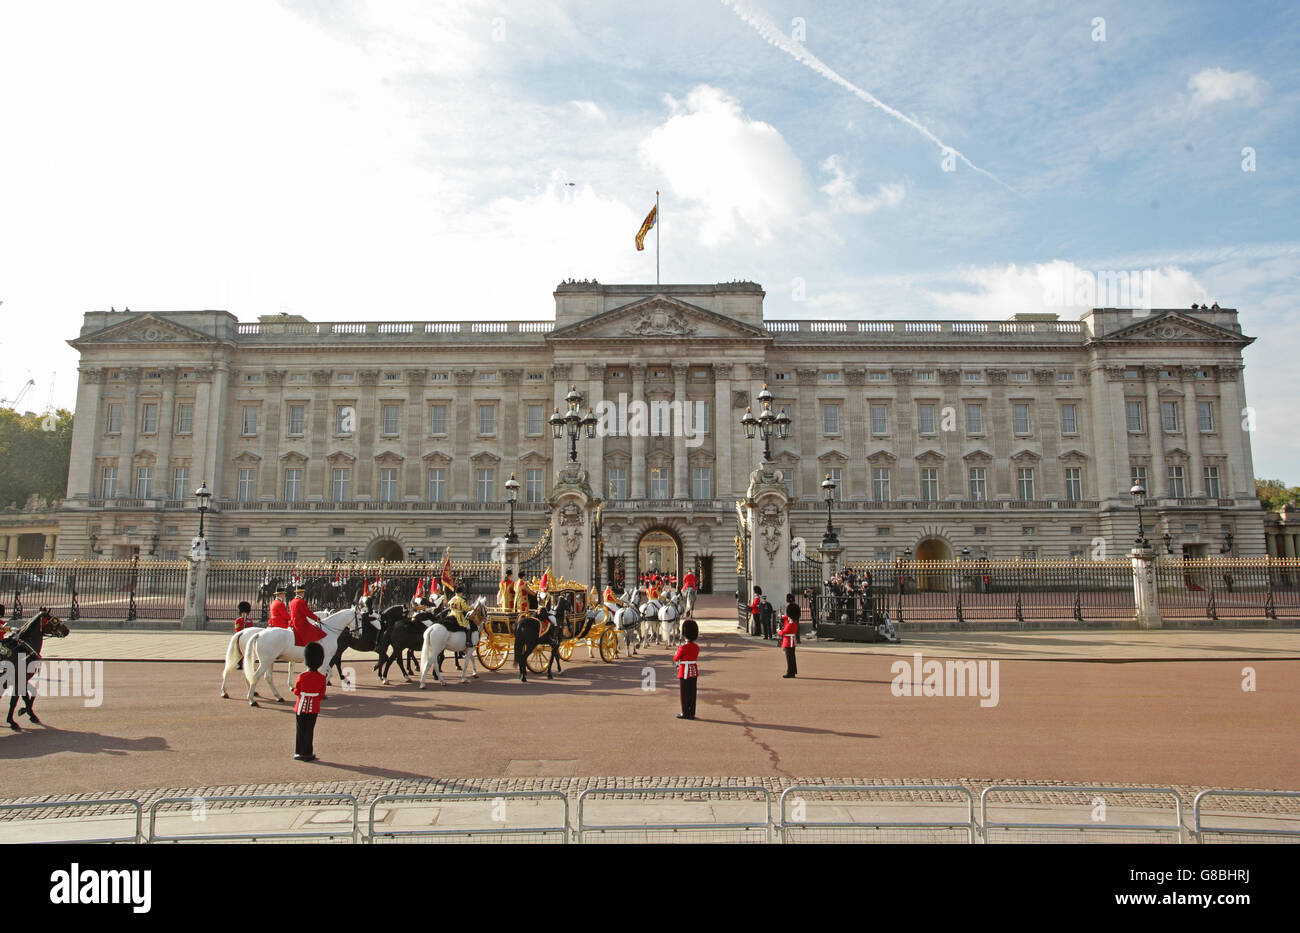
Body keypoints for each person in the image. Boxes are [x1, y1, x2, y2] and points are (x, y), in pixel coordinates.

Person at [292, 641, 327, 762]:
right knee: (309, 730)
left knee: (300, 730)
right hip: (314, 707)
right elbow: (321, 695)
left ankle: (298, 752)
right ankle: (308, 752)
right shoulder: (322, 678)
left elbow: (296, 691)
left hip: (301, 706)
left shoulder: (302, 676)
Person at [674, 619, 700, 720]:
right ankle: (692, 713)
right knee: (692, 693)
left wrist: (677, 651)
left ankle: (685, 712)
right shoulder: (696, 647)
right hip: (693, 671)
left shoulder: (682, 647)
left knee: (684, 694)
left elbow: (676, 658)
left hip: (684, 671)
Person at [780, 594, 800, 678]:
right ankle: (793, 671)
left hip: (789, 642)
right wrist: (782, 617)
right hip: (789, 641)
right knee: (791, 658)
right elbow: (786, 618)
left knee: (789, 658)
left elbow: (784, 632)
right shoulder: (793, 622)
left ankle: (790, 672)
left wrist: (779, 631)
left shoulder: (791, 624)